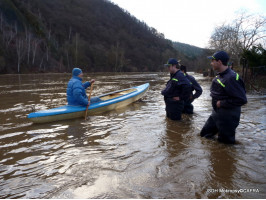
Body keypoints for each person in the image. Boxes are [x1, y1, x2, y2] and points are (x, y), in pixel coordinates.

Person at [200, 51, 247, 144]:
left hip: (228, 117)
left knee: (226, 145)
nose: (211, 63)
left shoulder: (231, 78)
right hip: (216, 114)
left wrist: (221, 103)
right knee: (204, 135)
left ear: (219, 62)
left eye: (213, 61)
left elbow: (241, 99)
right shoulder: (221, 75)